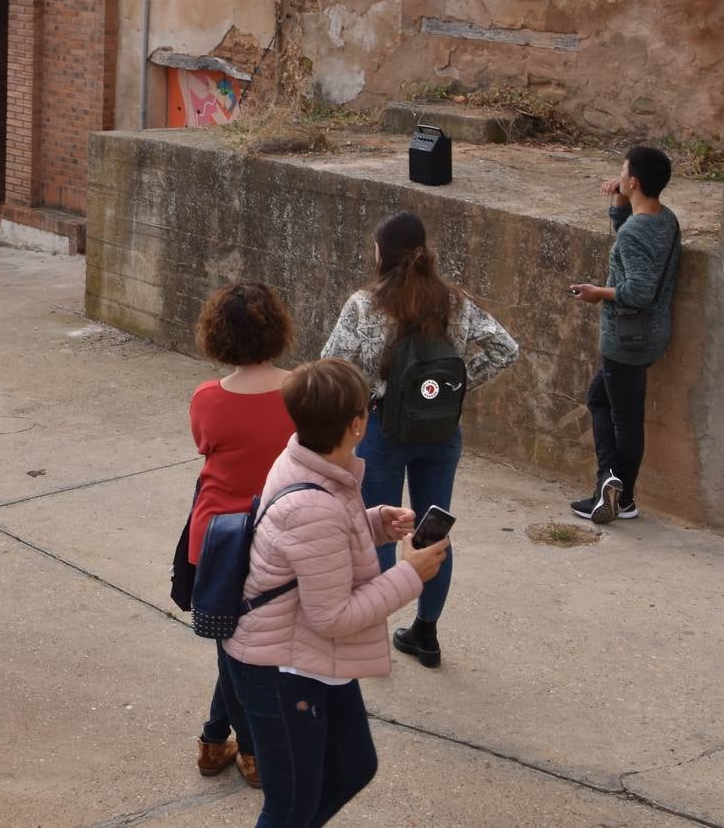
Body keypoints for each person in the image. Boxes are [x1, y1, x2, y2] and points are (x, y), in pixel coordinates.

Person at [223, 358, 447, 828]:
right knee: (289, 808)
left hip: (308, 656)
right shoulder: (314, 502)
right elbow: (333, 615)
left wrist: (375, 523)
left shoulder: (311, 461)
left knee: (353, 766)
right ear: (357, 423)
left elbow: (314, 548)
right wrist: (410, 575)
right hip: (281, 669)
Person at [320, 211, 517, 668]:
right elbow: (506, 348)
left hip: (382, 431)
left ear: (380, 253)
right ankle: (426, 633)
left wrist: (364, 398)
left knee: (377, 532)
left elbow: (332, 364)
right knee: (433, 531)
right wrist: (457, 388)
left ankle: (369, 631)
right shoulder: (455, 302)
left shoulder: (364, 306)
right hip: (441, 432)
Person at [187, 283, 297, 785]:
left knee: (230, 647)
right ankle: (248, 750)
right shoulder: (301, 390)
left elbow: (205, 446)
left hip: (216, 539)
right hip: (276, 535)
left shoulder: (208, 398)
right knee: (240, 651)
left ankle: (215, 742)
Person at [569, 145, 681, 525]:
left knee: (624, 416)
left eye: (622, 172)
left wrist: (598, 293)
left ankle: (620, 492)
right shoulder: (665, 220)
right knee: (600, 399)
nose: (617, 176)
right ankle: (612, 485)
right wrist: (620, 195)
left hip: (626, 339)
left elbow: (640, 291)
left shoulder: (636, 233)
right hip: (652, 335)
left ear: (635, 180)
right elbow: (628, 232)